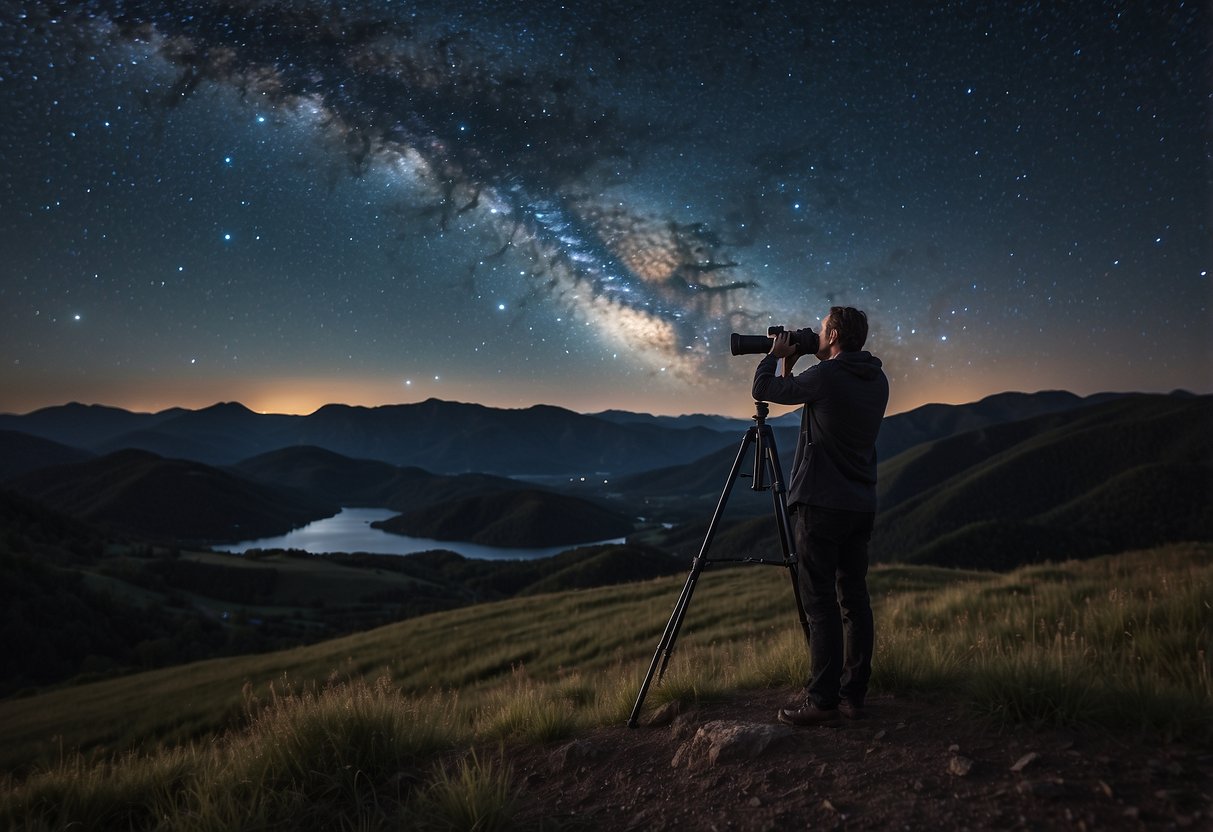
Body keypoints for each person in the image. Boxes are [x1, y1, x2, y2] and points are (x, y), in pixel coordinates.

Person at [752, 306, 889, 725]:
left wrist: (775, 354)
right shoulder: (877, 378)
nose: (818, 332)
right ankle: (853, 695)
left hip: (821, 505)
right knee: (855, 600)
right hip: (860, 502)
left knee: (821, 604)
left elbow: (763, 389)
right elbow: (811, 396)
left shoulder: (827, 376)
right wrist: (797, 364)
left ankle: (822, 701)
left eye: (823, 329)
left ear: (834, 336)